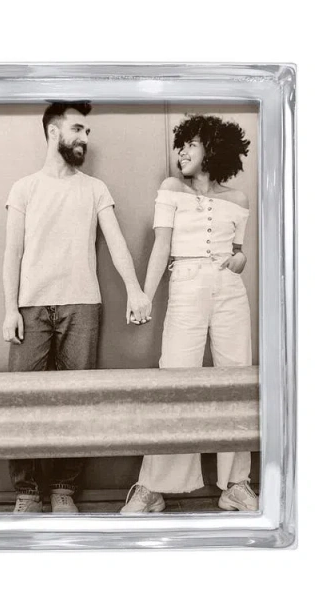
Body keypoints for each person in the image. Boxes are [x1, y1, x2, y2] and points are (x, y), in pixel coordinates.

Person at [3, 101, 151, 514]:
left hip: (82, 305)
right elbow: (12, 252)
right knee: (21, 402)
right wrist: (9, 309)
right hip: (30, 307)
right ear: (54, 132)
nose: (85, 137)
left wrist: (135, 290)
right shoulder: (24, 188)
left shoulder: (94, 188)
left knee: (79, 399)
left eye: (87, 132)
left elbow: (116, 242)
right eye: (78, 129)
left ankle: (64, 489)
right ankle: (27, 493)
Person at [121, 114, 259, 514]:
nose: (181, 152)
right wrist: (145, 296)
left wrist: (239, 260)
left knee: (236, 378)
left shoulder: (239, 199)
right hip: (185, 281)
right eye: (179, 145)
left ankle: (236, 484)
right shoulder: (171, 189)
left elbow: (238, 252)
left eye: (190, 144)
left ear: (212, 149)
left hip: (229, 290)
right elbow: (161, 246)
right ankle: (152, 487)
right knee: (176, 378)